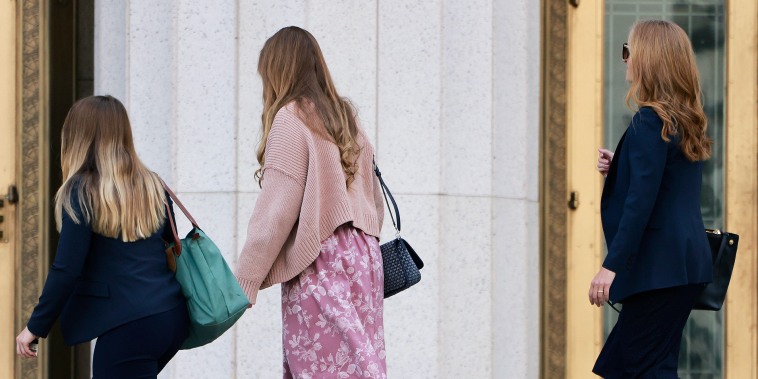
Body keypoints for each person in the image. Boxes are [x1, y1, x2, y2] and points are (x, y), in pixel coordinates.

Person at [235, 26, 386, 378]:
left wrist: (243, 282)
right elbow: (374, 202)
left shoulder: (290, 119)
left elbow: (274, 215)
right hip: (365, 260)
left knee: (320, 369)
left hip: (323, 261)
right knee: (361, 366)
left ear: (278, 71)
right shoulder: (348, 119)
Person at [15, 95, 188, 378]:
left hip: (129, 325)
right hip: (169, 316)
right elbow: (169, 246)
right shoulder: (152, 184)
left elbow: (66, 270)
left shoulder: (81, 191)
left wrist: (35, 327)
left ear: (78, 137)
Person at [589, 20, 714, 377]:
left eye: (628, 51)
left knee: (636, 369)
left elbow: (640, 203)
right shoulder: (681, 119)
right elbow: (666, 186)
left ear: (648, 59)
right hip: (683, 268)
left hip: (659, 270)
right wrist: (620, 167)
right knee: (639, 367)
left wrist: (609, 267)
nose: (624, 60)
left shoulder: (650, 120)